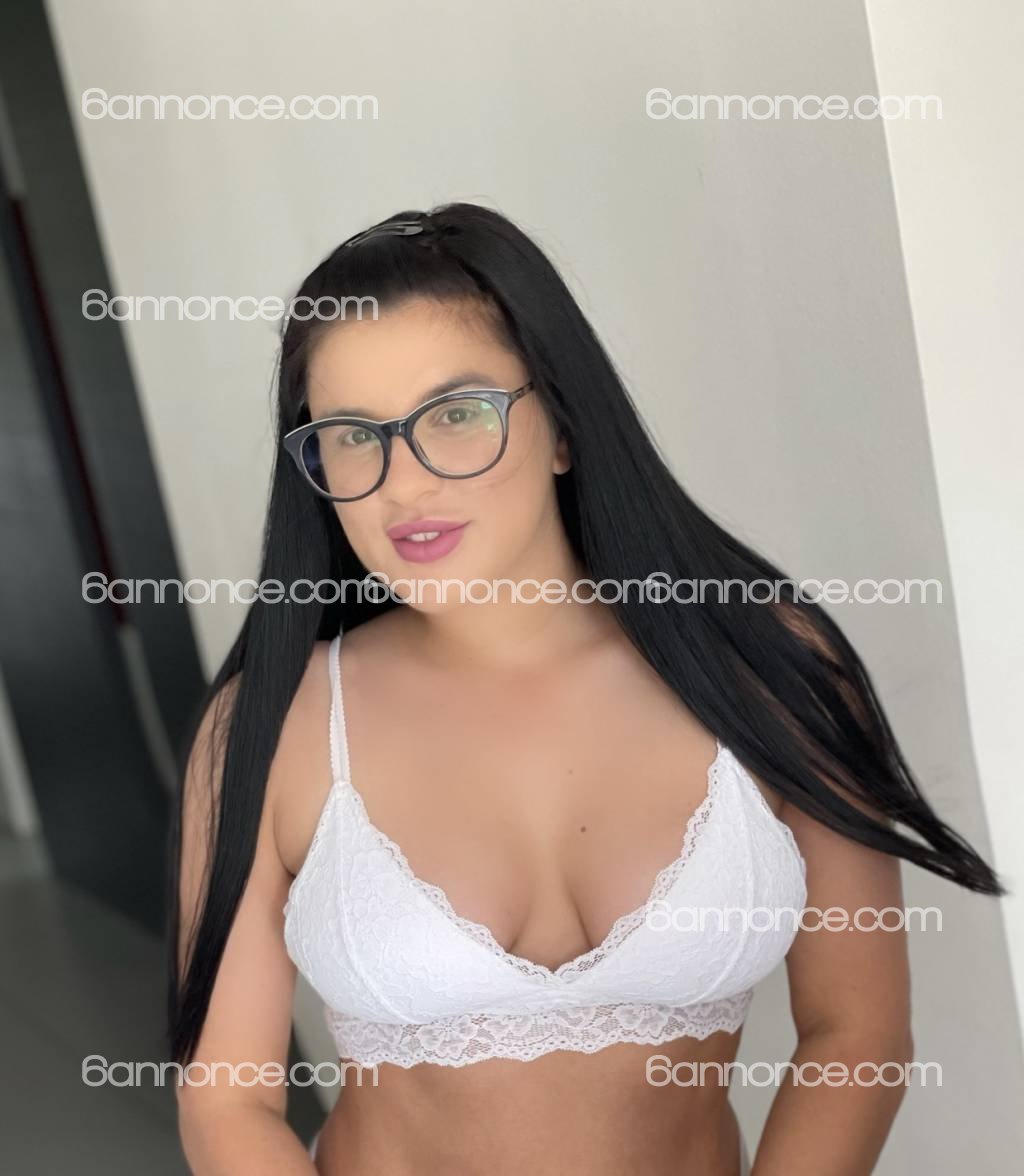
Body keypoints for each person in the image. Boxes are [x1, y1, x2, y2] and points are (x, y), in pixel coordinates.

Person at [169, 203, 1004, 1175]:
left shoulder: (769, 666)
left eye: (457, 414)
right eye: (354, 434)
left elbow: (856, 1036)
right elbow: (227, 1102)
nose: (403, 483)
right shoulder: (271, 724)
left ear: (563, 426)